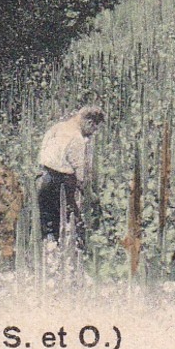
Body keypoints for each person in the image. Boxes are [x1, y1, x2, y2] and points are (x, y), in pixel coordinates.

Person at [37, 105, 104, 249]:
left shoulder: (57, 127)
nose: (93, 133)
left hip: (44, 179)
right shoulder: (77, 138)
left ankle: (50, 259)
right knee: (72, 222)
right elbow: (79, 170)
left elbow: (43, 149)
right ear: (89, 122)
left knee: (48, 225)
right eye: (94, 129)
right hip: (62, 182)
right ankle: (81, 254)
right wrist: (90, 194)